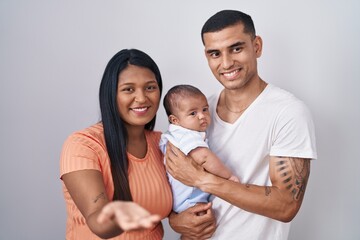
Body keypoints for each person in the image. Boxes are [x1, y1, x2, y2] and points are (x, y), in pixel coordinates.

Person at [165, 10, 317, 240]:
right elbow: (175, 177)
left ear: (257, 46)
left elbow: (286, 206)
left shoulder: (288, 112)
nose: (226, 63)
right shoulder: (198, 114)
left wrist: (202, 180)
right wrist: (176, 220)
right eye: (215, 53)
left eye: (236, 48)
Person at [59, 48, 173, 240]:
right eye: (128, 89)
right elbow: (99, 223)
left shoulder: (162, 143)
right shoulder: (83, 145)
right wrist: (121, 215)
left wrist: (181, 218)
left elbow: (174, 203)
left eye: (150, 87)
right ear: (111, 94)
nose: (142, 98)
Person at [159, 84, 239, 214]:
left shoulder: (173, 135)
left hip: (181, 198)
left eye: (205, 109)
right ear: (175, 120)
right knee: (203, 224)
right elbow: (204, 158)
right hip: (191, 200)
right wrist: (228, 176)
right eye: (193, 113)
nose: (202, 116)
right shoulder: (186, 135)